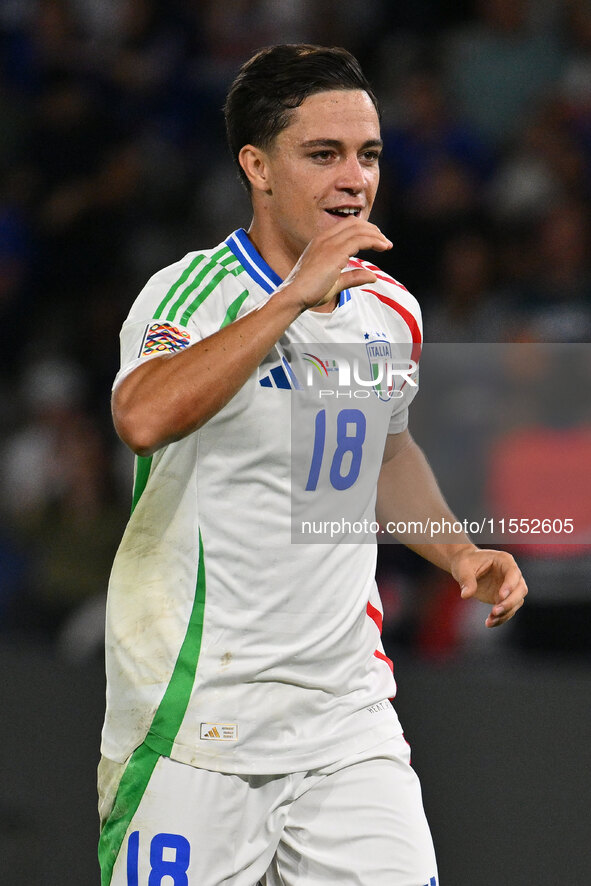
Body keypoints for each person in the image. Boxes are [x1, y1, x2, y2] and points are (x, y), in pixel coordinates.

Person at [98, 44, 527, 886]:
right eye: (323, 154)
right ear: (256, 166)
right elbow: (141, 416)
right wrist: (291, 295)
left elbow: (386, 451)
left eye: (366, 155)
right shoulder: (190, 292)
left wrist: (457, 552)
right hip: (194, 722)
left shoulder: (386, 308)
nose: (353, 179)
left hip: (345, 717)